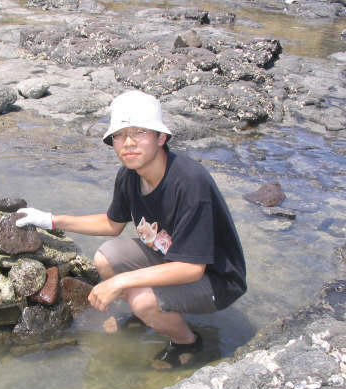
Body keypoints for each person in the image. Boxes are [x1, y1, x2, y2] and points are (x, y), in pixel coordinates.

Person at [15, 90, 247, 369]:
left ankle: (188, 342)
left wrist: (120, 283)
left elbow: (192, 268)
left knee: (140, 298)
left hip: (216, 278)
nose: (129, 142)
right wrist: (50, 220)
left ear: (161, 138)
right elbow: (112, 225)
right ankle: (150, 314)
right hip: (171, 258)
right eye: (120, 135)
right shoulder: (129, 176)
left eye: (140, 132)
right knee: (106, 257)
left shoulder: (190, 183)